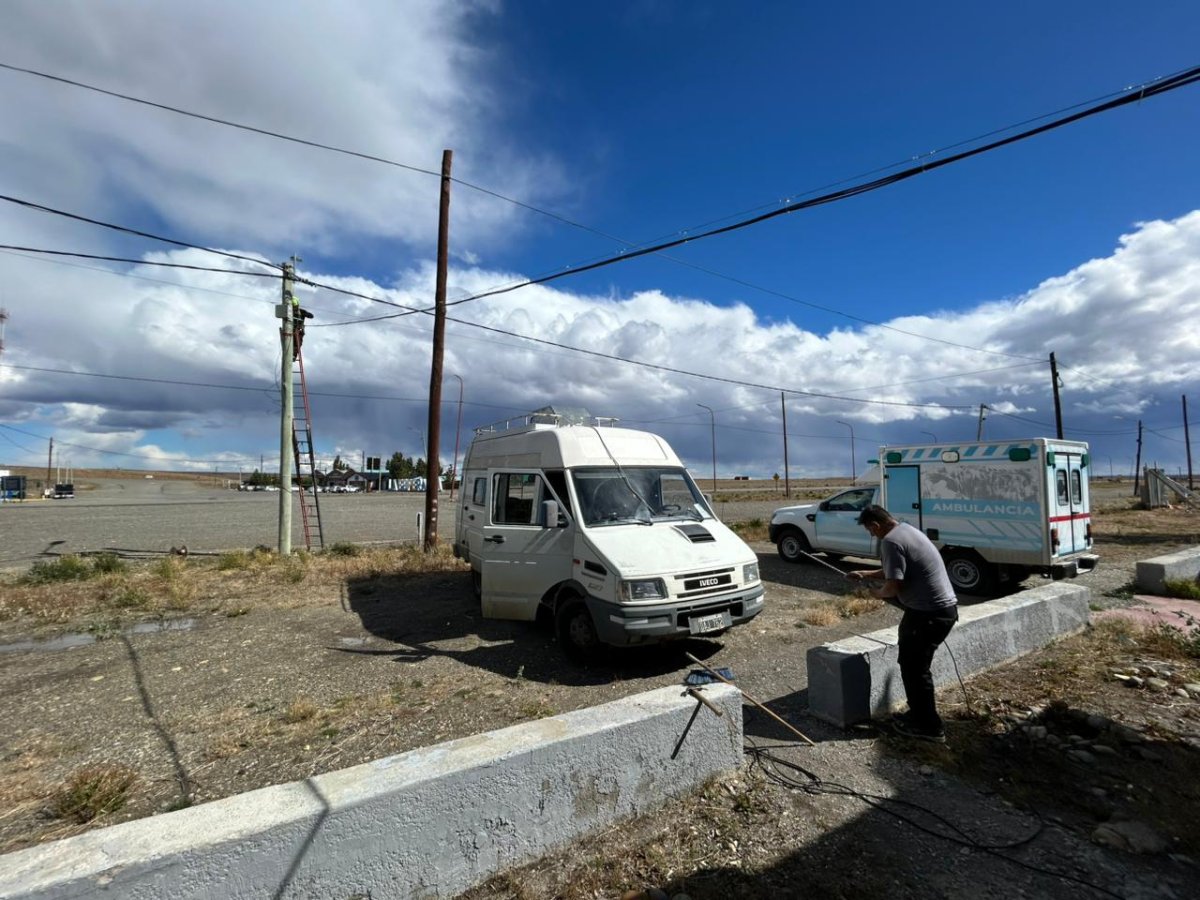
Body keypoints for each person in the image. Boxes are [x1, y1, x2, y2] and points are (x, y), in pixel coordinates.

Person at [847, 505, 958, 743]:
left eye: (869, 529)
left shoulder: (890, 542)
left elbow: (893, 586)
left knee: (915, 669)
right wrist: (865, 574)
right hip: (940, 611)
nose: (871, 534)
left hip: (927, 615)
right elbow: (894, 571)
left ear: (876, 525)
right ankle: (919, 715)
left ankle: (930, 728)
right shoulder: (907, 531)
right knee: (914, 666)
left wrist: (872, 594)